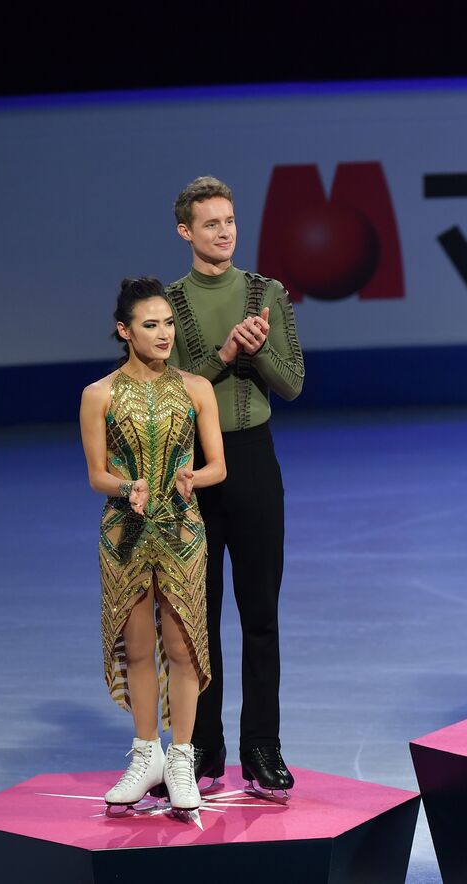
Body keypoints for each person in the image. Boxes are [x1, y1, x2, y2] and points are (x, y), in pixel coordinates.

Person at [166, 176, 305, 796]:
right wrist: (224, 353)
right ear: (186, 231)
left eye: (230, 220)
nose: (225, 232)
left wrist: (255, 351)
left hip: (252, 461)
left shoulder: (266, 292)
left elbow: (293, 382)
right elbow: (168, 393)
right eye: (211, 223)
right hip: (192, 469)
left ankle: (262, 748)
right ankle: (202, 749)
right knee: (199, 616)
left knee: (260, 613)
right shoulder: (167, 305)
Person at [78, 277, 226, 815]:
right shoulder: (99, 394)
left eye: (167, 323)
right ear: (125, 331)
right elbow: (97, 474)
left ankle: (182, 755)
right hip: (125, 533)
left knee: (184, 646)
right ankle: (147, 755)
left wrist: (194, 478)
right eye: (150, 325)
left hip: (184, 531)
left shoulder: (195, 388)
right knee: (138, 648)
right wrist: (126, 487)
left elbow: (219, 465)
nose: (163, 334)